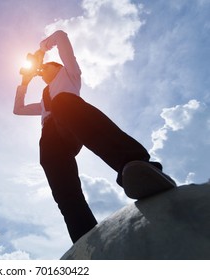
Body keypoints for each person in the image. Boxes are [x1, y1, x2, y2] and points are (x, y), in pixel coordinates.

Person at [13, 30, 176, 243]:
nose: (42, 72)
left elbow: (61, 36)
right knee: (50, 162)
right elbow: (18, 109)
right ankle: (84, 233)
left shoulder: (70, 74)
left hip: (72, 118)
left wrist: (42, 50)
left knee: (62, 102)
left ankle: (135, 163)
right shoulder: (44, 100)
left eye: (46, 68)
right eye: (40, 72)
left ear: (58, 67)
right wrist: (25, 82)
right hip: (52, 133)